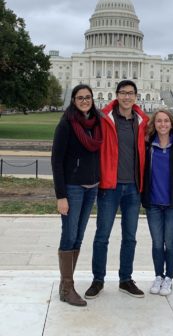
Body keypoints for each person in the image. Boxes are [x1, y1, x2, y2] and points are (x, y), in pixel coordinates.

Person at [85, 80, 149, 299]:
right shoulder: (104, 119)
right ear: (117, 95)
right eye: (123, 93)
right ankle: (98, 280)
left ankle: (125, 279)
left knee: (130, 237)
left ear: (136, 96)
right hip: (109, 187)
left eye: (130, 93)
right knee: (102, 236)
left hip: (133, 188)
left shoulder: (142, 122)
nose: (127, 97)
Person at [51, 84, 102, 307]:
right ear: (73, 100)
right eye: (80, 97)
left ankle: (68, 284)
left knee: (79, 236)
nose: (84, 101)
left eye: (88, 97)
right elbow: (56, 161)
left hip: (92, 187)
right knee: (69, 234)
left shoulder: (97, 123)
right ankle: (66, 287)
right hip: (72, 188)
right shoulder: (66, 124)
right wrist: (61, 196)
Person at [141, 109, 173, 296]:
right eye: (159, 121)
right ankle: (158, 275)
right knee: (157, 243)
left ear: (171, 123)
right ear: (154, 124)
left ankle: (169, 278)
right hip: (153, 203)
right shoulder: (148, 145)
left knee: (170, 242)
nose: (162, 124)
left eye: (166, 121)